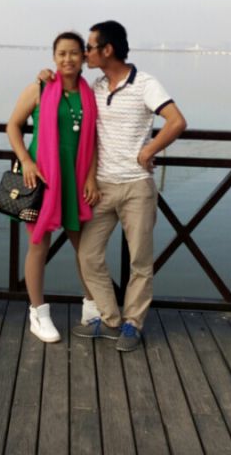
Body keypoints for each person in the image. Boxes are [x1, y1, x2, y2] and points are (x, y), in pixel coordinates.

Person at [40, 20, 187, 351]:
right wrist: (44, 77)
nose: (85, 54)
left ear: (107, 50)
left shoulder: (145, 83)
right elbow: (67, 92)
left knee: (140, 261)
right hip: (102, 187)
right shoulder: (95, 86)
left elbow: (176, 121)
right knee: (88, 255)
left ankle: (133, 324)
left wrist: (149, 150)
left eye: (89, 48)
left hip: (137, 187)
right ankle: (110, 319)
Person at [6, 31, 101, 342]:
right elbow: (13, 126)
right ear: (54, 57)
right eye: (61, 53)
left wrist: (91, 177)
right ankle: (38, 313)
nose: (67, 59)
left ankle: (92, 307)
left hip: (76, 179)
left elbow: (94, 140)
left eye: (74, 53)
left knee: (84, 247)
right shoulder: (39, 87)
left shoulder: (90, 94)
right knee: (38, 245)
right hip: (41, 178)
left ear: (84, 57)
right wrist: (26, 161)